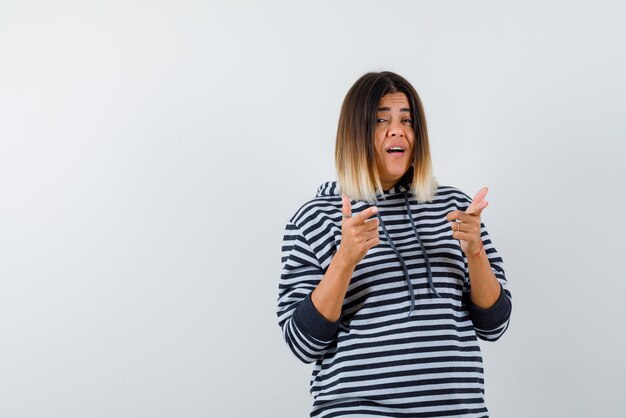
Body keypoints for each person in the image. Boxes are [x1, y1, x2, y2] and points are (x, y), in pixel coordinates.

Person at [276, 71, 512, 417]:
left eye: (407, 120)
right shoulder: (316, 218)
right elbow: (302, 343)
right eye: (381, 120)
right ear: (355, 133)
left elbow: (494, 325)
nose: (397, 130)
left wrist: (475, 253)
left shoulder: (456, 209)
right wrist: (345, 260)